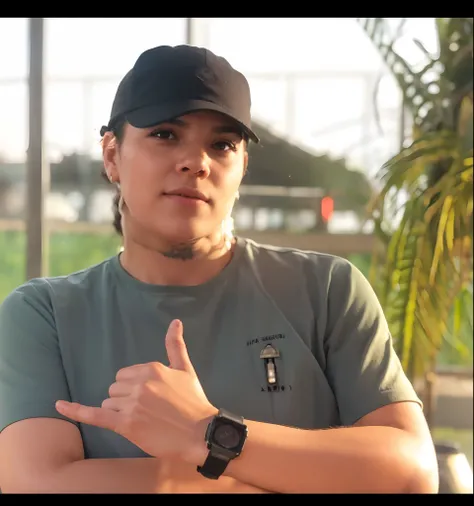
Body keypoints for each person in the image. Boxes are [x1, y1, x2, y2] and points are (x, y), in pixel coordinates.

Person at [0, 44, 438, 494]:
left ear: (242, 167)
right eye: (166, 134)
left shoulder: (327, 291)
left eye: (222, 144)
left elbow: (410, 473)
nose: (197, 162)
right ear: (112, 155)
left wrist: (206, 433)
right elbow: (34, 482)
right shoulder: (45, 314)